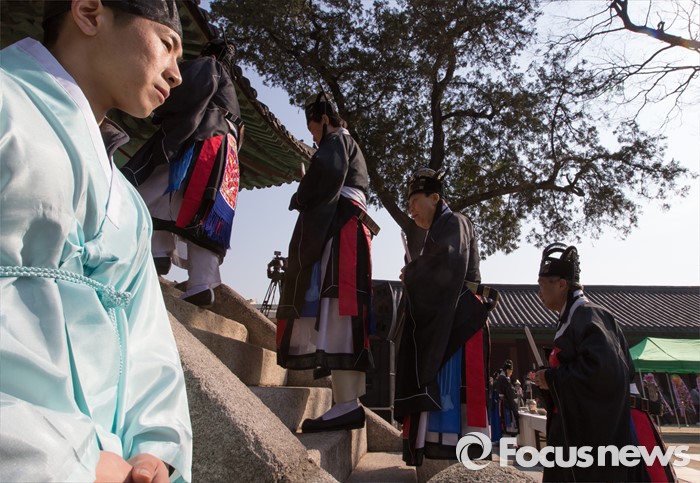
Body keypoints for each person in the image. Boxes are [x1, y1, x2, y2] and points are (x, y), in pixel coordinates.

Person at [0, 1, 192, 481]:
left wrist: (154, 449)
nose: (177, 74)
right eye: (167, 44)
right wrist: (70, 461)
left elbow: (147, 336)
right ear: (89, 12)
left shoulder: (129, 204)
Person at [275, 91, 379, 433]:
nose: (314, 138)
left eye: (313, 129)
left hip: (343, 230)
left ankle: (347, 404)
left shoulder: (336, 141)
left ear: (324, 120)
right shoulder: (349, 144)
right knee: (339, 308)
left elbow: (327, 171)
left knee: (338, 308)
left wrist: (300, 194)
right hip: (350, 227)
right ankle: (346, 401)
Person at [533, 243, 673, 482]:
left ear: (562, 284)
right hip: (583, 426)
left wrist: (551, 378)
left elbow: (602, 372)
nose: (539, 293)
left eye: (542, 285)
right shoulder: (573, 318)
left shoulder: (590, 315)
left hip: (609, 428)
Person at [122, 39, 243, 308]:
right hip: (227, 157)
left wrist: (157, 107)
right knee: (202, 216)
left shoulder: (209, 65)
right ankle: (201, 283)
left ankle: (156, 251)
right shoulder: (231, 93)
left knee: (150, 190)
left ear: (210, 53)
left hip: (202, 142)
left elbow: (183, 90)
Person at [394, 168, 494, 466]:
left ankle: (459, 460)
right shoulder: (438, 230)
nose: (410, 208)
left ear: (435, 198)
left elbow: (448, 262)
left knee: (455, 392)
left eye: (415, 200)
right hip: (449, 317)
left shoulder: (456, 221)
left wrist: (413, 271)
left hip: (461, 320)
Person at [494, 359, 520, 437]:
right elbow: (510, 393)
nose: (511, 373)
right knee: (510, 425)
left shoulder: (500, 378)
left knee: (504, 424)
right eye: (511, 371)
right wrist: (516, 389)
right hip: (507, 404)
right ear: (508, 370)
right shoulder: (504, 379)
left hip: (502, 403)